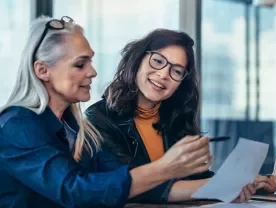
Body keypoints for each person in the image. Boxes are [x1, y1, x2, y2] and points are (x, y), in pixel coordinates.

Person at [0, 16, 214, 208]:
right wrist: (165, 168)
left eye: (90, 62)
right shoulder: (17, 125)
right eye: (80, 64)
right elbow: (74, 190)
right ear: (42, 70)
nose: (92, 72)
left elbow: (125, 182)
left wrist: (222, 186)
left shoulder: (76, 128)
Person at [85, 28, 276, 203]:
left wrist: (269, 181)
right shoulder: (99, 119)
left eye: (177, 71)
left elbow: (199, 181)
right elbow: (134, 186)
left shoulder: (174, 118)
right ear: (138, 59)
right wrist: (223, 186)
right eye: (158, 61)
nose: (163, 75)